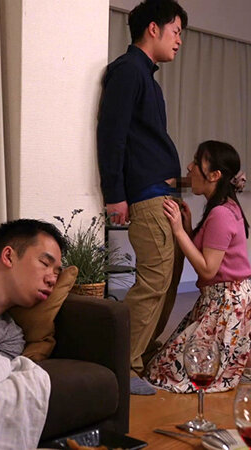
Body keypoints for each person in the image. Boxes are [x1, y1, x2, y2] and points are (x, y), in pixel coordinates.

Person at [96, 0, 188, 395]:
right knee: (153, 282)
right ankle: (123, 364)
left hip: (160, 194)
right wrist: (115, 194)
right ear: (153, 28)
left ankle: (140, 355)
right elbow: (111, 134)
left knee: (164, 281)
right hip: (146, 196)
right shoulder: (128, 71)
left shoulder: (145, 76)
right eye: (176, 31)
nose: (179, 40)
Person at [143, 140, 251, 393]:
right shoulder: (224, 207)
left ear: (215, 175)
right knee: (162, 363)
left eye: (197, 162)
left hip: (228, 306)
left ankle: (243, 360)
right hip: (222, 301)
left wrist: (178, 231)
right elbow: (208, 258)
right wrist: (187, 228)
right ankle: (244, 357)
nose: (189, 167)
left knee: (163, 373)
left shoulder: (221, 213)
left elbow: (208, 269)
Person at [0, 219, 66, 359]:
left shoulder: (10, 339)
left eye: (56, 273)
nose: (52, 280)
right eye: (45, 263)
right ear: (8, 257)